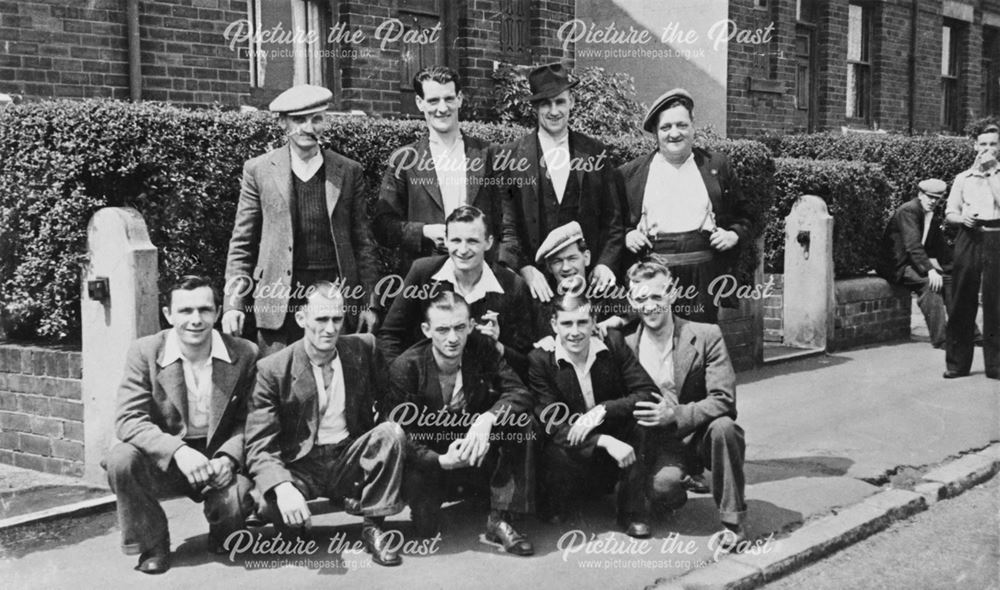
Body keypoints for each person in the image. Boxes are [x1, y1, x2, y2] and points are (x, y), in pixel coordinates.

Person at [244, 283, 407, 566]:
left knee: (391, 432)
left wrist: (381, 451)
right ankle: (298, 521)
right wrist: (282, 487)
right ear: (301, 319)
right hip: (300, 465)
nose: (330, 329)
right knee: (268, 508)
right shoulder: (272, 369)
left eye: (337, 319)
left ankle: (373, 525)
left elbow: (391, 399)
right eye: (321, 319)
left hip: (348, 455)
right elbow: (259, 444)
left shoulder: (363, 348)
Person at [106, 276, 257, 574]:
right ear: (168, 314)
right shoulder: (145, 351)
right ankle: (153, 544)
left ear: (217, 312)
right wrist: (178, 451)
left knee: (231, 537)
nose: (195, 320)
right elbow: (128, 419)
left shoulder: (245, 353)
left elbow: (253, 419)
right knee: (121, 458)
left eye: (204, 310)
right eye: (185, 311)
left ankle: (223, 527)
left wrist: (229, 457)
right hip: (167, 459)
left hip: (217, 460)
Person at [222, 84, 379, 357]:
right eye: (299, 119)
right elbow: (242, 243)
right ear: (283, 122)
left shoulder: (348, 171)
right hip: (279, 300)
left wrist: (369, 303)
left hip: (334, 296)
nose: (308, 127)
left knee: (334, 380)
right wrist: (233, 303)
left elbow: (363, 242)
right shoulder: (259, 170)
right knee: (279, 381)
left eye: (316, 118)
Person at [386, 292, 536, 555]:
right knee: (426, 531)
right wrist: (440, 460)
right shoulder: (405, 367)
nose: (453, 338)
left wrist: (487, 419)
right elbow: (402, 436)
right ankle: (426, 506)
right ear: (426, 329)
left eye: (459, 327)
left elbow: (520, 393)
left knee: (521, 421)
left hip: (474, 451)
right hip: (431, 463)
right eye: (443, 329)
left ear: (470, 326)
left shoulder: (482, 348)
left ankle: (501, 517)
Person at [624, 259, 748, 546]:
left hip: (697, 435)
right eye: (641, 298)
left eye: (657, 296)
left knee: (725, 428)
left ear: (672, 294)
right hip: (656, 444)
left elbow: (724, 399)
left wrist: (675, 414)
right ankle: (668, 491)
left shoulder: (706, 335)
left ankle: (734, 523)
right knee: (663, 489)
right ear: (632, 300)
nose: (650, 305)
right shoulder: (626, 343)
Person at [618, 88, 755, 324]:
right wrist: (627, 235)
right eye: (665, 127)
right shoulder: (631, 174)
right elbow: (610, 224)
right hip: (653, 276)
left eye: (681, 125)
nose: (674, 133)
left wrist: (734, 234)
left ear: (693, 126)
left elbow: (747, 216)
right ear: (655, 133)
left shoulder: (717, 167)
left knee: (699, 342)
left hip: (702, 277)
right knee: (655, 342)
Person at [528, 293, 658, 538]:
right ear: (554, 325)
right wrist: (602, 441)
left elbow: (648, 393)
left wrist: (602, 410)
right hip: (575, 449)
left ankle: (631, 512)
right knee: (553, 446)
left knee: (642, 422)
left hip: (612, 439)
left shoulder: (613, 343)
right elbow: (552, 423)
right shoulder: (540, 360)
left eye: (582, 323)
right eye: (567, 324)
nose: (575, 332)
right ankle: (561, 501)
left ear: (594, 321)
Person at [494, 62, 624, 303]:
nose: (554, 111)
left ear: (571, 102)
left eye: (560, 102)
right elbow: (507, 228)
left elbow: (614, 222)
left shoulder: (595, 153)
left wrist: (606, 264)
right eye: (545, 103)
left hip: (588, 285)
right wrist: (525, 269)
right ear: (535, 107)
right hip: (534, 286)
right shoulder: (511, 158)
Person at [378, 205, 534, 376]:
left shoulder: (512, 286)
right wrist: (400, 381)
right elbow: (390, 336)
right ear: (445, 240)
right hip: (428, 389)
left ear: (488, 242)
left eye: (472, 241)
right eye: (456, 240)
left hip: (488, 391)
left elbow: (526, 362)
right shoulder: (422, 272)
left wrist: (498, 346)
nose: (463, 250)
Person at [374, 66, 500, 276]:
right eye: (433, 101)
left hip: (481, 275)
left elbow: (507, 222)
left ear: (459, 99)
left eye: (449, 98)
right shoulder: (405, 160)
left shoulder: (489, 154)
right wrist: (423, 231)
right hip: (425, 277)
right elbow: (383, 226)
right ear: (419, 103)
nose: (442, 108)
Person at [944, 122, 1000, 380]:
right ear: (975, 146)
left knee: (995, 302)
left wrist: (991, 173)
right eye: (983, 144)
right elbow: (950, 213)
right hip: (968, 237)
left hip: (996, 236)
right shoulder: (962, 178)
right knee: (961, 299)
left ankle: (996, 365)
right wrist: (961, 219)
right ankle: (957, 363)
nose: (987, 149)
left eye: (993, 144)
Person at [877, 179, 952, 348]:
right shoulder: (908, 211)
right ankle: (941, 340)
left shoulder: (931, 216)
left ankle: (972, 335)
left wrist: (954, 270)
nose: (933, 201)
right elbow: (912, 246)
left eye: (937, 198)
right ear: (920, 195)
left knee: (950, 282)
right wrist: (930, 270)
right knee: (929, 285)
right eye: (930, 197)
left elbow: (942, 249)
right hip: (897, 266)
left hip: (913, 264)